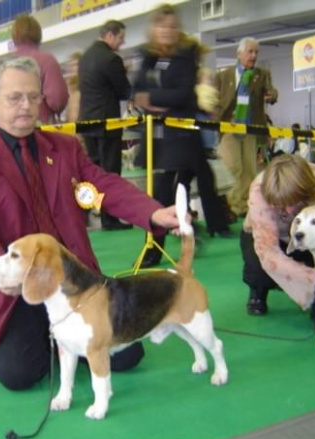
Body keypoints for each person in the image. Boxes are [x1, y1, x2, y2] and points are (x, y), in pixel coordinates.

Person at [0, 56, 181, 391]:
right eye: (15, 98)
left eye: (33, 97)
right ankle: (54, 338)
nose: (26, 106)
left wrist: (153, 213)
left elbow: (104, 184)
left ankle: (67, 340)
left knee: (128, 357)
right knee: (20, 374)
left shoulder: (65, 147)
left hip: (75, 280)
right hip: (19, 287)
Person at [133, 3, 230, 268]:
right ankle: (184, 230)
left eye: (172, 26)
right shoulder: (146, 56)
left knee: (165, 193)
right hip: (155, 138)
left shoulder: (185, 56)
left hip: (180, 138)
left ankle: (156, 247)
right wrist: (152, 100)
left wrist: (151, 98)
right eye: (162, 25)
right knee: (160, 194)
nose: (167, 31)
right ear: (153, 29)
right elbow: (135, 92)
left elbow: (182, 94)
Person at [241, 154, 315, 328]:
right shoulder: (258, 191)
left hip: (312, 234)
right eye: (281, 204)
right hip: (270, 233)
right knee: (257, 265)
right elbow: (268, 254)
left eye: (296, 202)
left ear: (309, 191)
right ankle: (258, 290)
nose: (289, 211)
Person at [79, 20, 133, 231]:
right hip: (107, 123)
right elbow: (124, 91)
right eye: (120, 37)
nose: (122, 41)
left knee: (93, 173)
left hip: (87, 123)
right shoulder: (111, 59)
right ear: (110, 35)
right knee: (111, 172)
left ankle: (91, 214)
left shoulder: (85, 57)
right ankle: (110, 219)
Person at [215, 37, 278, 219]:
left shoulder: (262, 74)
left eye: (256, 52)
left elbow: (272, 92)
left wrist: (271, 95)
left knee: (249, 168)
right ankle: (234, 206)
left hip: (250, 127)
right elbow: (216, 101)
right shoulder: (223, 75)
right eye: (250, 52)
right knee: (233, 167)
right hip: (229, 127)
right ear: (239, 54)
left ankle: (246, 205)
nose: (254, 55)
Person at [12, 14, 68, 124]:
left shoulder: (5, 64)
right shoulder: (46, 60)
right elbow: (57, 100)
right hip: (40, 126)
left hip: (11, 130)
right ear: (38, 35)